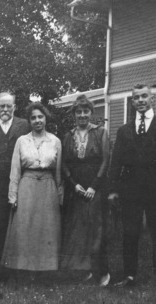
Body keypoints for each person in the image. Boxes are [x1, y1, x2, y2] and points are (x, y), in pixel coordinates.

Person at [108, 84, 156, 292]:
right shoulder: (124, 130)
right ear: (132, 102)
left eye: (144, 96)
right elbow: (116, 162)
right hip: (130, 190)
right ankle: (129, 275)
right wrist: (113, 189)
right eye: (136, 97)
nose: (141, 100)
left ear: (151, 99)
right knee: (130, 233)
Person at [1, 102, 62, 272]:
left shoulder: (55, 141)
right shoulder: (22, 141)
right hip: (26, 185)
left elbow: (58, 172)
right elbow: (15, 170)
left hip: (48, 187)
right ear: (29, 121)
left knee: (46, 228)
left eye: (40, 117)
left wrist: (59, 194)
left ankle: (45, 269)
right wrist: (12, 195)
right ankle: (24, 268)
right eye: (33, 117)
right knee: (25, 226)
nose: (37, 120)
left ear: (45, 118)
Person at [60, 95, 110, 286]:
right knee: (78, 231)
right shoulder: (68, 136)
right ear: (74, 114)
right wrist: (74, 185)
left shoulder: (101, 133)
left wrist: (93, 187)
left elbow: (106, 161)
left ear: (91, 112)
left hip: (95, 187)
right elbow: (64, 163)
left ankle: (102, 271)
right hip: (77, 189)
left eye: (85, 111)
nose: (82, 115)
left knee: (96, 230)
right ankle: (83, 271)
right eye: (78, 112)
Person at [0, 92, 30, 264]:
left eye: (9, 105)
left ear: (14, 107)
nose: (5, 109)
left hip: (20, 180)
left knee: (19, 221)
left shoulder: (24, 125)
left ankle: (17, 263)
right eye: (2, 106)